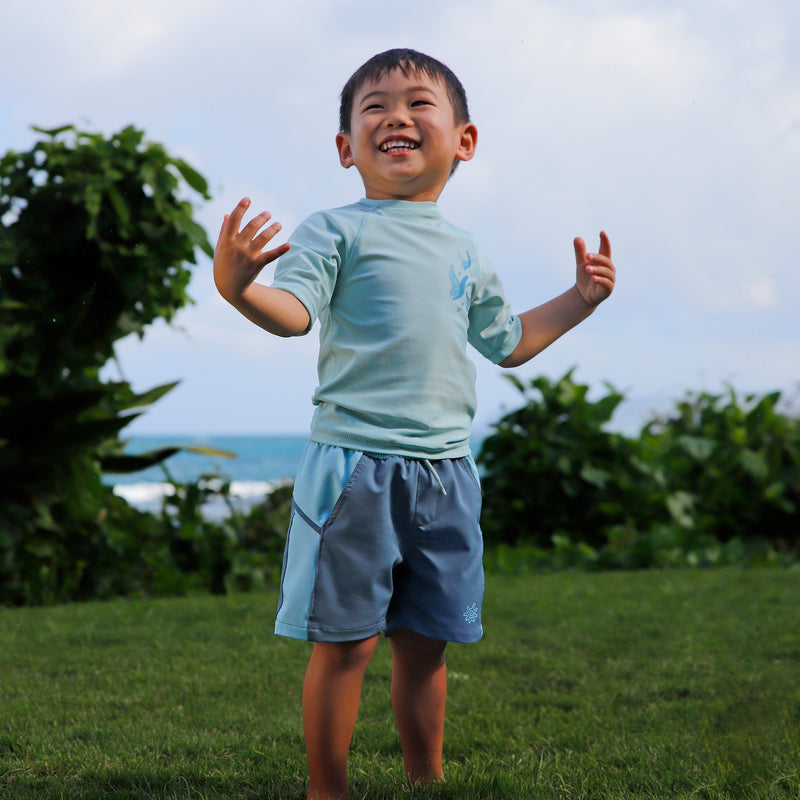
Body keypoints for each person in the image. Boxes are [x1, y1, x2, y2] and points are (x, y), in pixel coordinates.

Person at [213, 48, 616, 800]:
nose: (396, 115)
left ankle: (424, 779)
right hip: (356, 471)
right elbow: (294, 314)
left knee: (427, 645)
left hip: (447, 474)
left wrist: (577, 301)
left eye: (418, 102)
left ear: (464, 139)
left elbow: (509, 342)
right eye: (375, 107)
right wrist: (240, 290)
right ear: (346, 148)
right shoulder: (334, 230)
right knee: (348, 644)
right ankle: (325, 790)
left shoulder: (465, 250)